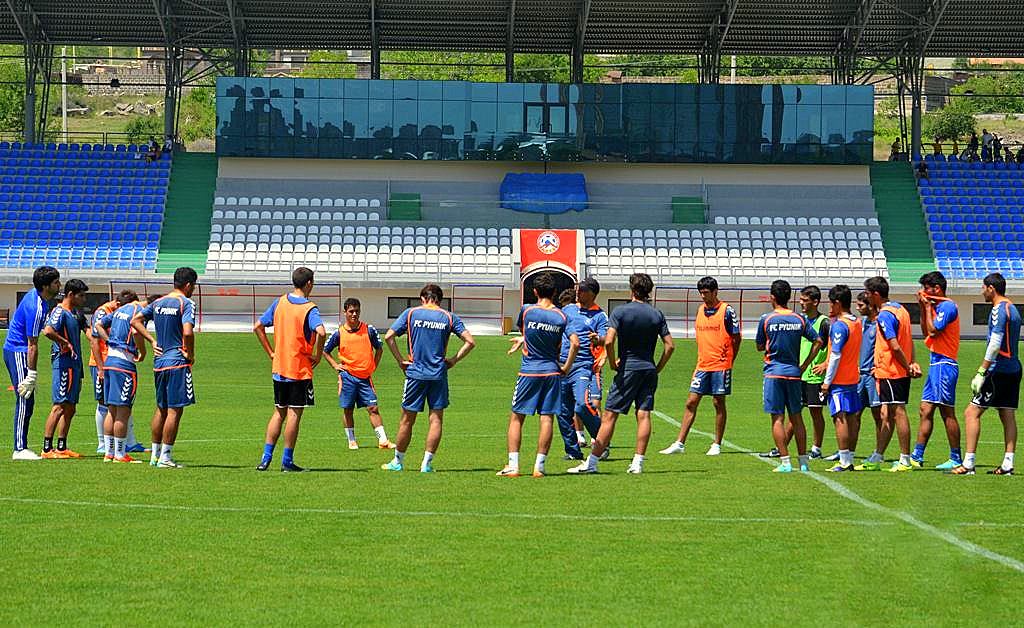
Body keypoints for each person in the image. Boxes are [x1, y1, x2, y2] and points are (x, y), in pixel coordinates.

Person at [568, 273, 674, 475]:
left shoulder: (621, 312)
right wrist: (657, 367)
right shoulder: (656, 314)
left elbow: (608, 341)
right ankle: (638, 463)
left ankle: (592, 463)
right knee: (643, 415)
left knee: (609, 416)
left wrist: (613, 363)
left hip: (628, 369)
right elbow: (670, 346)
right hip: (648, 369)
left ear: (632, 290)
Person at [381, 284, 476, 473]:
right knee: (436, 419)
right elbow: (470, 342)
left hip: (415, 373)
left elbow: (389, 337)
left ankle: (397, 462)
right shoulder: (448, 317)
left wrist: (400, 360)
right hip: (438, 373)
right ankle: (426, 463)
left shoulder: (411, 313)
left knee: (407, 420)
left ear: (422, 299)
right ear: (439, 300)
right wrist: (454, 360)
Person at [498, 272, 578, 477]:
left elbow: (528, 331)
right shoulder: (561, 316)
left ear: (534, 291)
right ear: (554, 292)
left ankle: (513, 466)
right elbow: (575, 343)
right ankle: (539, 467)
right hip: (552, 371)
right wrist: (566, 367)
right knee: (547, 419)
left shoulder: (527, 310)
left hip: (529, 371)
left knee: (517, 418)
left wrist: (524, 339)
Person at [254, 267, 327, 472]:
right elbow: (321, 332)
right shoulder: (309, 308)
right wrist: (318, 356)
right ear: (310, 283)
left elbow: (257, 326)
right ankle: (287, 461)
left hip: (279, 367)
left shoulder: (280, 302)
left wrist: (271, 352)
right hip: (299, 369)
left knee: (279, 413)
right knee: (294, 414)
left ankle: (265, 459)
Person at [660, 276, 740, 456]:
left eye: (706, 293)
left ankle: (717, 444)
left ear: (715, 292)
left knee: (718, 403)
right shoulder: (700, 310)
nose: (703, 296)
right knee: (691, 401)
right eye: (701, 293)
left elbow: (736, 337)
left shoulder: (727, 311)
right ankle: (679, 443)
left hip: (721, 365)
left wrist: (729, 360)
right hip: (702, 365)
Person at [952, 273, 1021, 476]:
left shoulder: (999, 310)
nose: (982, 291)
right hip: (1014, 367)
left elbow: (995, 343)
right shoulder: (1013, 309)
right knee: (1006, 413)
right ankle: (1008, 463)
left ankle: (968, 463)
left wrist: (982, 370)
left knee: (971, 413)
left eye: (983, 288)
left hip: (997, 370)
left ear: (991, 288)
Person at [755, 280, 822, 473]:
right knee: (797, 417)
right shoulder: (799, 320)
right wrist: (804, 365)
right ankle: (803, 462)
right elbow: (818, 341)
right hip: (794, 373)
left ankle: (785, 462)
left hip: (774, 373)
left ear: (772, 297)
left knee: (777, 418)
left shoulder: (766, 319)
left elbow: (760, 345)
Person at [858, 276, 921, 472]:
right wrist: (912, 361)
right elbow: (908, 340)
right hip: (893, 370)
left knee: (898, 412)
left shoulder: (885, 315)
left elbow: (894, 345)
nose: (867, 298)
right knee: (886, 414)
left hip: (891, 371)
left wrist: (908, 365)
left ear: (876, 294)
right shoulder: (901, 309)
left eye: (868, 294)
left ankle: (904, 459)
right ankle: (878, 456)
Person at [138, 267, 198, 468]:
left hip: (159, 363)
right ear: (188, 285)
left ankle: (155, 456)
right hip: (176, 363)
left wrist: (151, 341)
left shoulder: (158, 302)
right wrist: (190, 353)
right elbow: (188, 333)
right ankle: (166, 457)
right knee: (175, 411)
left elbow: (135, 320)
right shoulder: (186, 303)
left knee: (161, 409)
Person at [4, 265, 61, 460]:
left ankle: (21, 446)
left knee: (28, 400)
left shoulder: (40, 299)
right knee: (25, 397)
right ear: (45, 286)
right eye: (55, 282)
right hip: (18, 351)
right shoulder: (36, 307)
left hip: (18, 350)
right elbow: (32, 345)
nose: (59, 285)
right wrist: (32, 375)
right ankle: (19, 448)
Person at [322, 297, 394, 450]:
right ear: (345, 312)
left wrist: (373, 365)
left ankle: (383, 441)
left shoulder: (369, 330)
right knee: (348, 409)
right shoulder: (339, 333)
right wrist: (335, 365)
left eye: (357, 311)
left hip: (365, 378)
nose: (354, 314)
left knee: (373, 408)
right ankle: (352, 440)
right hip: (347, 377)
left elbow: (379, 349)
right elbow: (325, 350)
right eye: (351, 311)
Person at [96, 293, 160, 464]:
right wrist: (144, 351)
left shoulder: (122, 308)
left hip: (109, 361)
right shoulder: (140, 312)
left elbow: (98, 325)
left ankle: (109, 453)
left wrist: (109, 341)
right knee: (123, 411)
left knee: (112, 410)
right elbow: (135, 331)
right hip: (124, 364)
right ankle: (119, 454)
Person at [912, 271, 963, 470]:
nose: (923, 292)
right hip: (935, 364)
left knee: (946, 412)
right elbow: (926, 333)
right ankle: (917, 455)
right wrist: (922, 308)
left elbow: (934, 331)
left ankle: (955, 457)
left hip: (945, 364)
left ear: (936, 289)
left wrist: (926, 306)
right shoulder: (935, 307)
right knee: (925, 410)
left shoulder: (948, 306)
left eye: (926, 288)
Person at [556, 278, 608, 460]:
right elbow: (555, 327)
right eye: (578, 289)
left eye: (583, 290)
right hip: (561, 364)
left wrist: (598, 339)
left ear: (593, 293)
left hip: (582, 365)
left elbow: (606, 337)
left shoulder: (600, 315)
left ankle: (602, 441)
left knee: (581, 404)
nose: (579, 292)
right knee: (562, 411)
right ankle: (572, 451)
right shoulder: (568, 309)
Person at [89, 290, 145, 454]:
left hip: (110, 362)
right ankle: (106, 446)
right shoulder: (103, 311)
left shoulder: (117, 312)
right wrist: (100, 366)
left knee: (116, 407)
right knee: (109, 406)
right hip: (107, 363)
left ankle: (122, 445)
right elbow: (94, 339)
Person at [814, 285, 862, 472]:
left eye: (831, 303)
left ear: (837, 303)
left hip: (840, 380)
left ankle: (844, 461)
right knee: (851, 418)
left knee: (839, 418)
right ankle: (848, 457)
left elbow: (835, 355)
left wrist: (827, 381)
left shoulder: (840, 326)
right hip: (852, 378)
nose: (829, 307)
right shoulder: (857, 323)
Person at [39, 279, 89, 459]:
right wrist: (64, 342)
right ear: (70, 295)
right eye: (81, 296)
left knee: (71, 407)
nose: (84, 299)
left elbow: (88, 331)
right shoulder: (59, 311)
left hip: (76, 365)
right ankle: (46, 449)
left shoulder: (76, 312)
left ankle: (61, 447)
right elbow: (48, 331)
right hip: (64, 364)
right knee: (59, 405)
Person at [851, 291, 883, 463]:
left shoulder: (880, 324)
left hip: (873, 377)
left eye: (861, 305)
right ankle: (848, 451)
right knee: (854, 413)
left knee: (878, 415)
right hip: (859, 376)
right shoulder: (862, 323)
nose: (857, 307)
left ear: (871, 305)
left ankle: (879, 452)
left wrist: (878, 367)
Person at [798, 286, 829, 459]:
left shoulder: (824, 323)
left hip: (815, 375)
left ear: (815, 302)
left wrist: (825, 363)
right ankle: (782, 447)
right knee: (795, 411)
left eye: (805, 300)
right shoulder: (801, 321)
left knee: (815, 412)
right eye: (801, 299)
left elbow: (835, 347)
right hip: (799, 373)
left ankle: (816, 449)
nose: (801, 303)